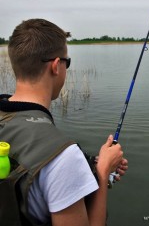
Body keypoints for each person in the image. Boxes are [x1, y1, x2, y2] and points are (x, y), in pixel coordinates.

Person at [0, 19, 128, 226]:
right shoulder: (64, 159)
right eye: (67, 62)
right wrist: (103, 173)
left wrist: (90, 165)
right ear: (55, 66)